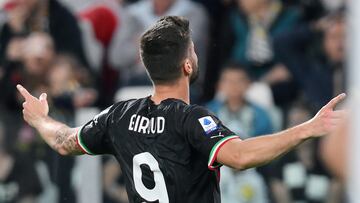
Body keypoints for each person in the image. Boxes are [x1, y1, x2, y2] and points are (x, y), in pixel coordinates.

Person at [16, 16, 346, 203]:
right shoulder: (192, 119)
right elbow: (242, 156)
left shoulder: (118, 116)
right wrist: (309, 128)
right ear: (187, 65)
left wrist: (40, 118)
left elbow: (64, 141)